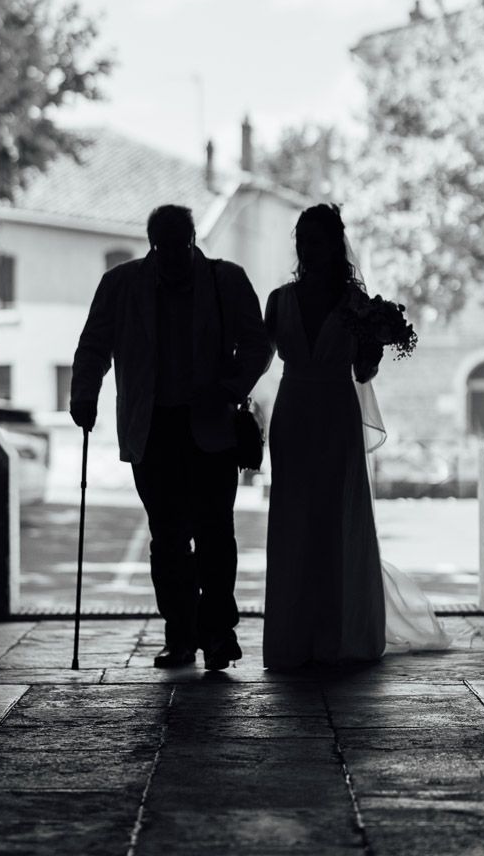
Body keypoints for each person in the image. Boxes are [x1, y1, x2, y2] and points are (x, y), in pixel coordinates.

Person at [70, 204, 272, 671]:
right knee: (168, 538)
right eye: (163, 249)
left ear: (193, 240)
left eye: (180, 248)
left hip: (211, 425)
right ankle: (180, 635)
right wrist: (84, 395)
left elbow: (259, 344)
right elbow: (94, 345)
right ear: (151, 244)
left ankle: (218, 634)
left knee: (216, 534)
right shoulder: (122, 284)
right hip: (153, 426)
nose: (173, 259)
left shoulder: (226, 280)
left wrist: (229, 388)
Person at [262, 203, 449, 670]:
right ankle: (293, 637)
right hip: (293, 413)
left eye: (318, 239)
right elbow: (258, 358)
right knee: (293, 518)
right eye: (303, 238)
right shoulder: (278, 300)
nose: (309, 247)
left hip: (334, 412)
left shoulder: (356, 306)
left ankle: (340, 632)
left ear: (335, 244)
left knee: (336, 516)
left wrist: (376, 341)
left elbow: (362, 372)